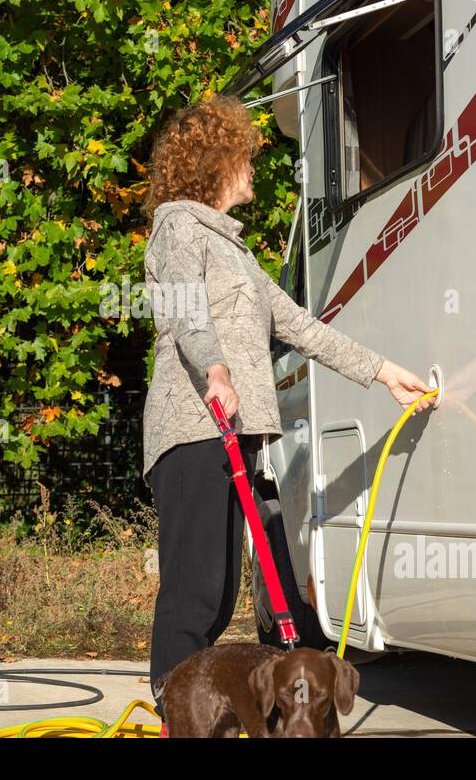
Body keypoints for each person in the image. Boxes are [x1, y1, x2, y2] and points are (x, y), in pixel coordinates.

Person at [141, 94, 434, 722]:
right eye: (244, 157)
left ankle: (193, 716)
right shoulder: (179, 226)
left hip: (231, 433)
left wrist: (382, 372)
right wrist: (216, 370)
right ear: (215, 162)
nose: (252, 168)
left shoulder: (237, 253)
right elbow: (186, 309)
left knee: (217, 598)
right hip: (193, 429)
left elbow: (303, 327)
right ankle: (176, 713)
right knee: (194, 595)